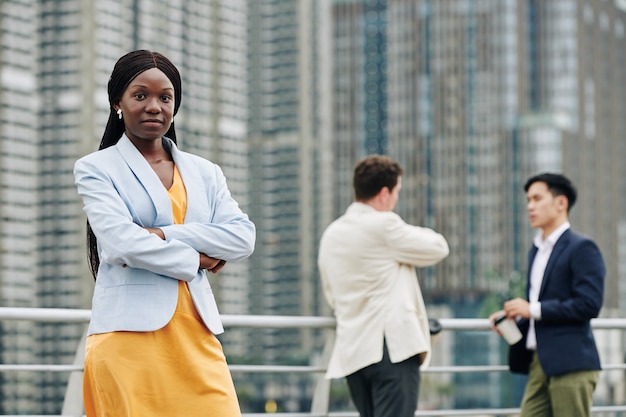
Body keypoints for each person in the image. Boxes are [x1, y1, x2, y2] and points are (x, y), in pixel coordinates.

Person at [73, 50, 255, 417]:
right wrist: (197, 257)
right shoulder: (96, 168)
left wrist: (160, 234)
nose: (154, 106)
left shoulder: (206, 172)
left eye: (165, 97)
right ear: (117, 103)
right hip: (127, 342)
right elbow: (120, 244)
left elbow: (241, 238)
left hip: (196, 336)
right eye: (140, 95)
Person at [317, 155, 449, 417]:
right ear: (385, 192)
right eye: (397, 192)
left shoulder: (331, 234)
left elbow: (331, 294)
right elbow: (438, 247)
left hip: (354, 354)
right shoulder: (385, 225)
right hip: (390, 350)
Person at [490, 173, 605, 417]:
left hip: (571, 362)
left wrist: (530, 309)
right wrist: (514, 317)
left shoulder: (582, 248)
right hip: (538, 362)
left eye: (537, 198)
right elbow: (538, 308)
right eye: (528, 200)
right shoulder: (536, 250)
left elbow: (588, 304)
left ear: (560, 203)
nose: (530, 206)